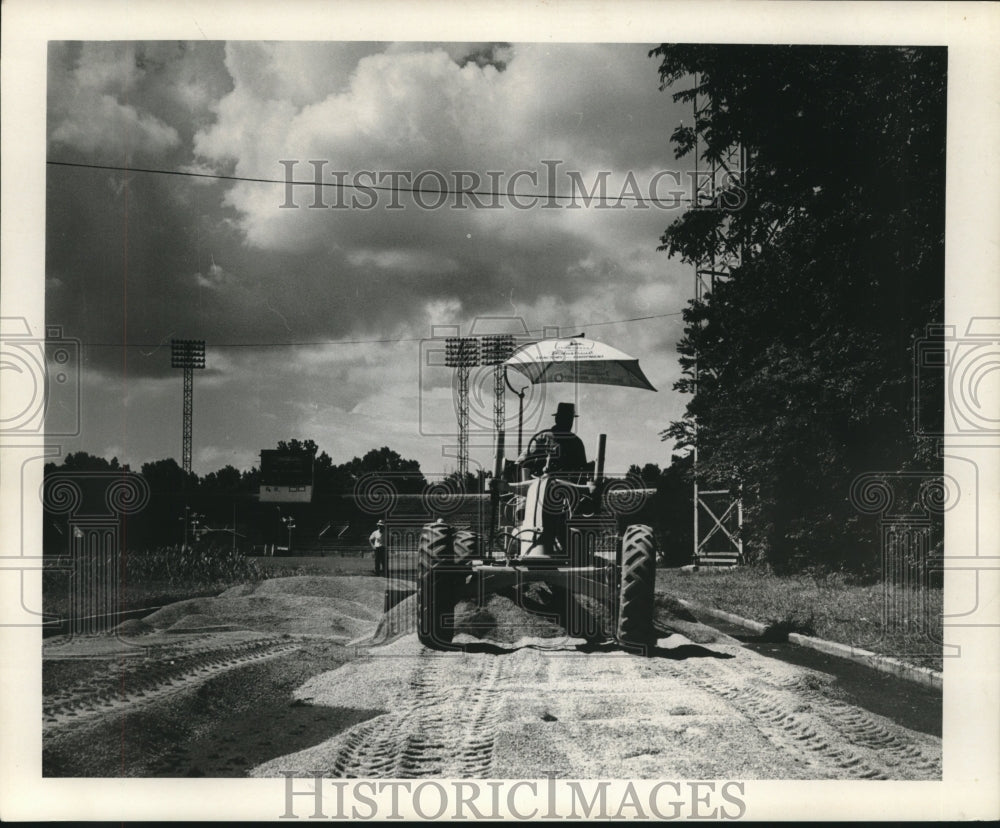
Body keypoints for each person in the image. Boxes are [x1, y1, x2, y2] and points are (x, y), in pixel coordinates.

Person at [519, 402, 589, 479]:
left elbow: (582, 470)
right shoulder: (543, 438)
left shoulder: (576, 443)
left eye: (570, 419)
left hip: (566, 486)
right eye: (565, 419)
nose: (568, 422)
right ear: (557, 419)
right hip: (540, 483)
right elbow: (522, 461)